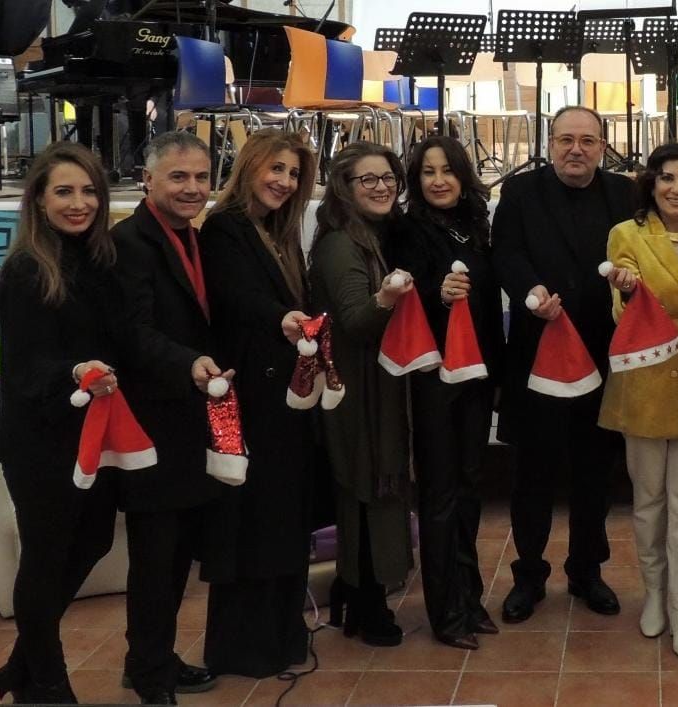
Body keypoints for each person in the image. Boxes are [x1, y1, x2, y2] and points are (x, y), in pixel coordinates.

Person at [0, 142, 124, 704]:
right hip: (40, 440)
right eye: (64, 191)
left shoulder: (100, 259)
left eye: (89, 190)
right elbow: (25, 365)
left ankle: (23, 663)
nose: (79, 203)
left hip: (95, 436)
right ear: (38, 200)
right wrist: (76, 371)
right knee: (45, 557)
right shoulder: (24, 269)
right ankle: (46, 680)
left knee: (91, 540)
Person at [491, 105, 636, 622]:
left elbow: (639, 256)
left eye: (589, 141)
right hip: (537, 351)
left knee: (595, 472)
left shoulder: (626, 193)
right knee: (532, 472)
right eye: (566, 139)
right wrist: (530, 292)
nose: (577, 149)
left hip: (602, 353)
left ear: (603, 145)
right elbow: (505, 253)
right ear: (549, 143)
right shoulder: (520, 191)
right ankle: (529, 574)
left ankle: (587, 572)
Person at [597, 142, 678, 661]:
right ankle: (653, 594)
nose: (677, 188)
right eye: (668, 178)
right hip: (646, 381)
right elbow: (618, 309)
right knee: (648, 500)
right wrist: (627, 291)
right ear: (651, 183)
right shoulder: (627, 235)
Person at [197, 128, 321, 676]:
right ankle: (246, 648)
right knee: (250, 526)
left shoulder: (279, 231)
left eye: (293, 174)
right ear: (249, 167)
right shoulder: (225, 227)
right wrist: (282, 318)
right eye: (275, 169)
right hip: (247, 394)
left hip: (283, 396)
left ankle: (283, 637)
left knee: (282, 520)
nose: (284, 182)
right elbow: (236, 296)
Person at [110, 131, 224, 702]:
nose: (192, 188)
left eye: (202, 177)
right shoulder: (129, 243)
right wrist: (189, 362)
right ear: (147, 180)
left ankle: (151, 657)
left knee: (177, 555)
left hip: (190, 419)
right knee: (155, 559)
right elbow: (131, 335)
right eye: (178, 177)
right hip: (152, 424)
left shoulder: (189, 238)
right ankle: (150, 673)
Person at [386, 135, 506, 650]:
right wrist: (438, 292)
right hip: (435, 375)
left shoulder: (475, 227)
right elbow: (409, 285)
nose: (438, 180)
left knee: (470, 485)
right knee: (439, 493)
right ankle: (445, 611)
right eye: (428, 171)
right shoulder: (406, 229)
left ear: (463, 176)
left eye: (448, 170)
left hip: (477, 373)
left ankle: (469, 594)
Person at [308, 141, 414, 648]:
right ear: (344, 189)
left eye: (388, 177)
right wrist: (387, 299)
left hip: (376, 383)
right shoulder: (340, 245)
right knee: (366, 490)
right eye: (367, 179)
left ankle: (356, 595)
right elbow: (355, 320)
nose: (381, 186)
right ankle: (367, 604)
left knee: (374, 489)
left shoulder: (374, 234)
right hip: (356, 389)